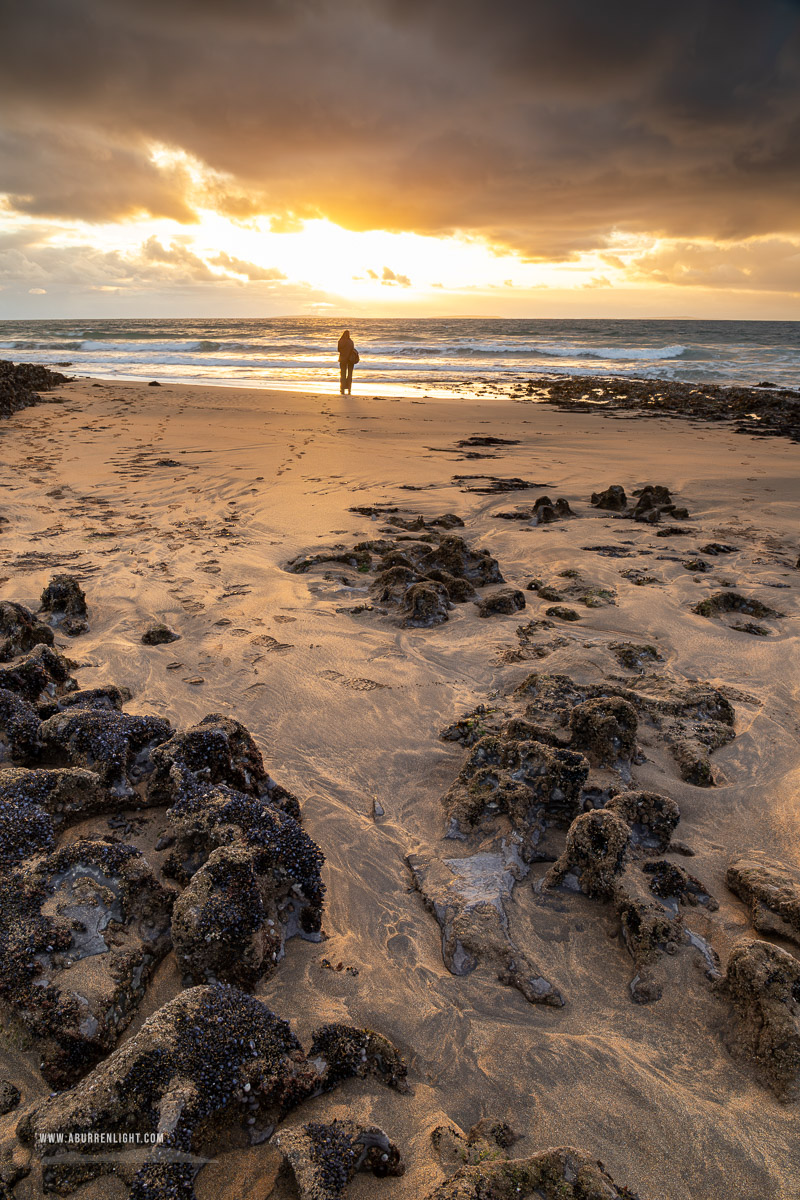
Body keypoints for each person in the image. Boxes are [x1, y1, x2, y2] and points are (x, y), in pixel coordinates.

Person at [337, 329, 358, 394]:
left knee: (342, 375)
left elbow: (338, 350)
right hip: (350, 360)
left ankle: (342, 389)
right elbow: (352, 349)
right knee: (350, 375)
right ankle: (349, 389)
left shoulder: (340, 341)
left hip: (343, 360)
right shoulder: (351, 341)